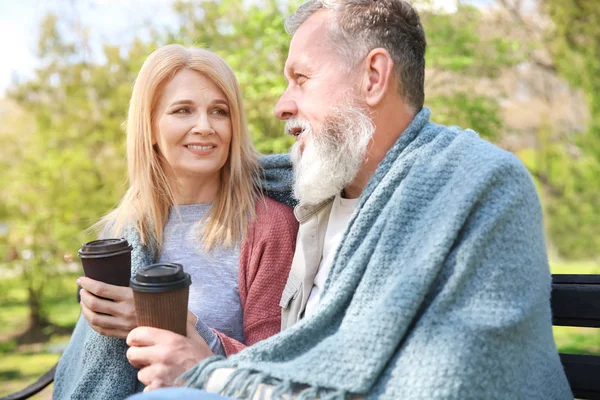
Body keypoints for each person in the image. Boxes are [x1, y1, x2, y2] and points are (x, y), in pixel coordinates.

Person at [126, 0, 573, 398]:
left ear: (373, 77)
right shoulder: (314, 203)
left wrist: (206, 372)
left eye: (301, 78)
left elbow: (442, 379)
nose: (282, 105)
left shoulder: (479, 186)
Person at [53, 44, 298, 400]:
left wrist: (163, 319)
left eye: (220, 111)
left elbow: (274, 371)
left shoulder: (267, 226)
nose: (205, 127)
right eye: (183, 110)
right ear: (149, 127)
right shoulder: (126, 229)